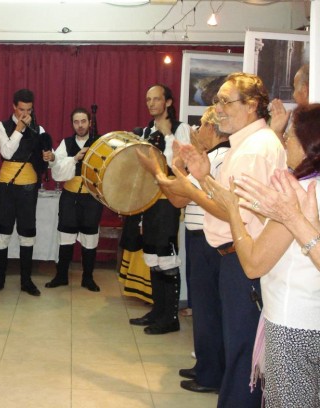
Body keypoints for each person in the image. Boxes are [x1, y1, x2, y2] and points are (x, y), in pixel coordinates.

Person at [170, 72, 286, 408]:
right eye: (217, 101)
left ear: (251, 105)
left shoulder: (254, 150)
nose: (217, 109)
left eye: (225, 101)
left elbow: (236, 213)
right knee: (238, 347)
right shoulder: (247, 145)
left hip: (242, 257)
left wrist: (196, 184)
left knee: (242, 351)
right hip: (235, 255)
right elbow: (234, 204)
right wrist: (205, 177)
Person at [206, 103, 320, 407]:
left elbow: (254, 263)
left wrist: (232, 209)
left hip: (293, 325)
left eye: (291, 137)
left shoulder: (301, 192)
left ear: (309, 144)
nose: (284, 143)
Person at [140, 106, 229, 393]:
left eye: (201, 126)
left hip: (208, 239)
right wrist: (175, 167)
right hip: (199, 236)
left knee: (207, 308)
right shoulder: (211, 156)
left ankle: (210, 373)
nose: (196, 131)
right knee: (203, 308)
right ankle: (205, 365)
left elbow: (178, 198)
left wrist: (159, 170)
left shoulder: (217, 157)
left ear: (213, 129)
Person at [127, 84, 191, 335]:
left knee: (166, 254)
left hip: (169, 199)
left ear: (168, 102)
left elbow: (182, 163)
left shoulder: (180, 128)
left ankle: (170, 317)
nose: (152, 103)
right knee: (152, 253)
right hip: (149, 200)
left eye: (156, 99)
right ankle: (157, 310)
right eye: (148, 99)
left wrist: (167, 136)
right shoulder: (146, 130)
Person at [0, 88, 54, 296]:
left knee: (27, 234)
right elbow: (7, 151)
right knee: (2, 234)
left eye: (29, 110)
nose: (25, 114)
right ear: (13, 107)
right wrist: (18, 128)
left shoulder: (39, 128)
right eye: (21, 110)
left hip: (29, 185)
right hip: (8, 184)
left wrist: (49, 158)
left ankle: (27, 281)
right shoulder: (2, 126)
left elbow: (47, 156)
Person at [45, 107, 103, 292]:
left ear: (90, 123)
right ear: (72, 124)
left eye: (83, 121)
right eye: (76, 122)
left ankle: (88, 278)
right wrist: (75, 159)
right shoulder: (66, 143)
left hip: (92, 198)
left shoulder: (99, 143)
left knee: (90, 238)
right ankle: (61, 276)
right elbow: (58, 171)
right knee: (66, 237)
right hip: (70, 196)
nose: (80, 125)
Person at [269, 64, 309, 142]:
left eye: (295, 88)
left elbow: (291, 154)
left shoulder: (309, 125)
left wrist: (278, 133)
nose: (293, 95)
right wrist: (278, 132)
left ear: (304, 90)